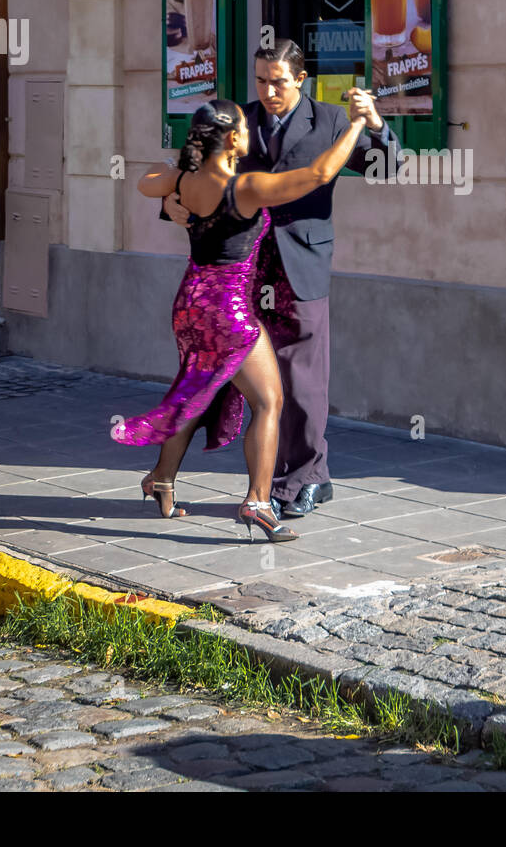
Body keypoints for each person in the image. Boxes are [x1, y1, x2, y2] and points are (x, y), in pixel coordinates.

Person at [116, 98, 368, 544]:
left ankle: (161, 479)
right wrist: (356, 125)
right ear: (233, 138)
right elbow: (318, 175)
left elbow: (143, 181)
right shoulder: (245, 187)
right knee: (270, 401)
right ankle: (257, 501)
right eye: (243, 129)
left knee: (195, 390)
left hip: (190, 303)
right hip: (227, 311)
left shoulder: (186, 178)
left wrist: (174, 192)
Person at [164, 40, 397, 519]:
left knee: (302, 379)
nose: (269, 91)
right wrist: (169, 205)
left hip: (301, 266)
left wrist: (373, 123)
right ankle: (185, 480)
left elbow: (388, 166)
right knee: (226, 377)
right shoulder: (239, 122)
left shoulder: (331, 120)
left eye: (279, 82)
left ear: (301, 79)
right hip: (241, 270)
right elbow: (190, 174)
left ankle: (309, 476)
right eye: (261, 81)